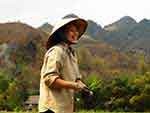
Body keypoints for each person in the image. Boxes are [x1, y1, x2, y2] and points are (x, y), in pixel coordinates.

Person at [38, 17, 88, 113]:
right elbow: (49, 79)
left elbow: (77, 79)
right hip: (52, 108)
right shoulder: (57, 51)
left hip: (66, 108)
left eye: (77, 31)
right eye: (71, 31)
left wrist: (84, 89)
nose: (76, 33)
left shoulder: (71, 54)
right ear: (62, 33)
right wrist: (74, 85)